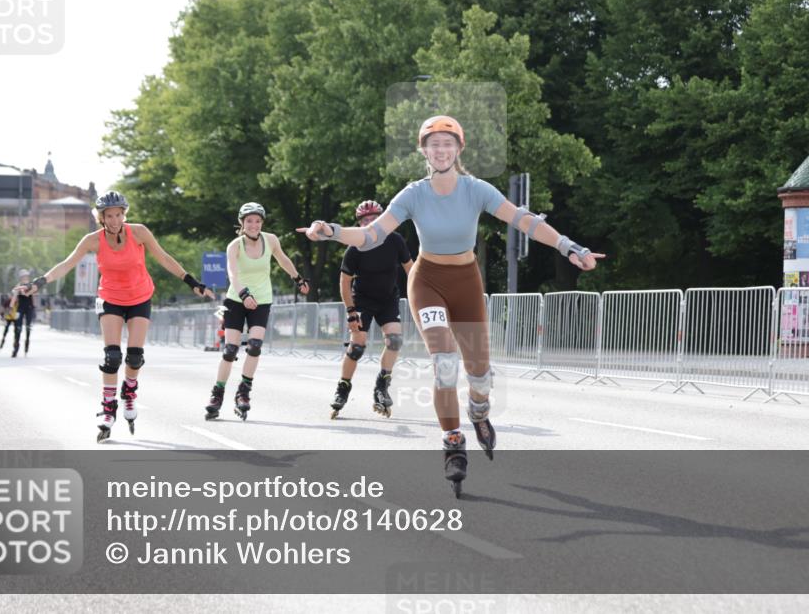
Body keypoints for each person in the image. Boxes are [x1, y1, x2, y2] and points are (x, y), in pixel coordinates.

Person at [299, 115, 604, 496]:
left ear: (459, 149)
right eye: (433, 144)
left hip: (466, 283)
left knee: (479, 375)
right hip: (426, 281)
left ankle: (479, 411)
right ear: (423, 151)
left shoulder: (476, 189)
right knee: (444, 363)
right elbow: (371, 233)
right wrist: (331, 232)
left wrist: (568, 246)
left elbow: (522, 220)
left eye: (448, 143)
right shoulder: (413, 193)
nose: (440, 150)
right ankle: (453, 441)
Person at [14, 191, 214, 442]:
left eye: (119, 214)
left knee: (134, 356)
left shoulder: (139, 232)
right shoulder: (92, 240)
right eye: (109, 215)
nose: (115, 220)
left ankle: (129, 392)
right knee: (112, 357)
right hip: (110, 298)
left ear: (124, 214)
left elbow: (163, 257)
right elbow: (66, 264)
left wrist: (192, 282)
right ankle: (108, 407)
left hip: (140, 297)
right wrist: (38, 282)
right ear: (101, 217)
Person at [205, 202, 310, 421]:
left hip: (262, 300)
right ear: (242, 223)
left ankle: (243, 392)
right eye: (249, 221)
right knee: (230, 350)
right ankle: (218, 393)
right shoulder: (235, 245)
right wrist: (244, 294)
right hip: (236, 300)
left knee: (254, 346)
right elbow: (232, 274)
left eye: (258, 221)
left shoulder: (270, 240)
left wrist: (298, 278)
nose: (254, 225)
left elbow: (282, 259)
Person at [330, 199, 413, 419]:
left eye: (374, 218)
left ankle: (382, 384)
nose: (370, 223)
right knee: (357, 346)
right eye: (365, 220)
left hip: (388, 299)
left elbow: (411, 270)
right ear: (359, 225)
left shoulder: (395, 240)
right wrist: (350, 312)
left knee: (395, 340)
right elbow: (344, 282)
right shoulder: (355, 248)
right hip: (363, 300)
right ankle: (343, 388)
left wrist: (421, 296)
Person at [9, 269, 37, 357]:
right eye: (23, 277)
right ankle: (16, 347)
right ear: (20, 278)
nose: (25, 278)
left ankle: (26, 345)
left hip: (29, 309)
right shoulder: (18, 286)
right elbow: (14, 298)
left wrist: (34, 308)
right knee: (18, 328)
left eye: (26, 276)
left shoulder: (32, 286)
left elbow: (33, 298)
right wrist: (11, 307)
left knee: (28, 328)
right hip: (20, 309)